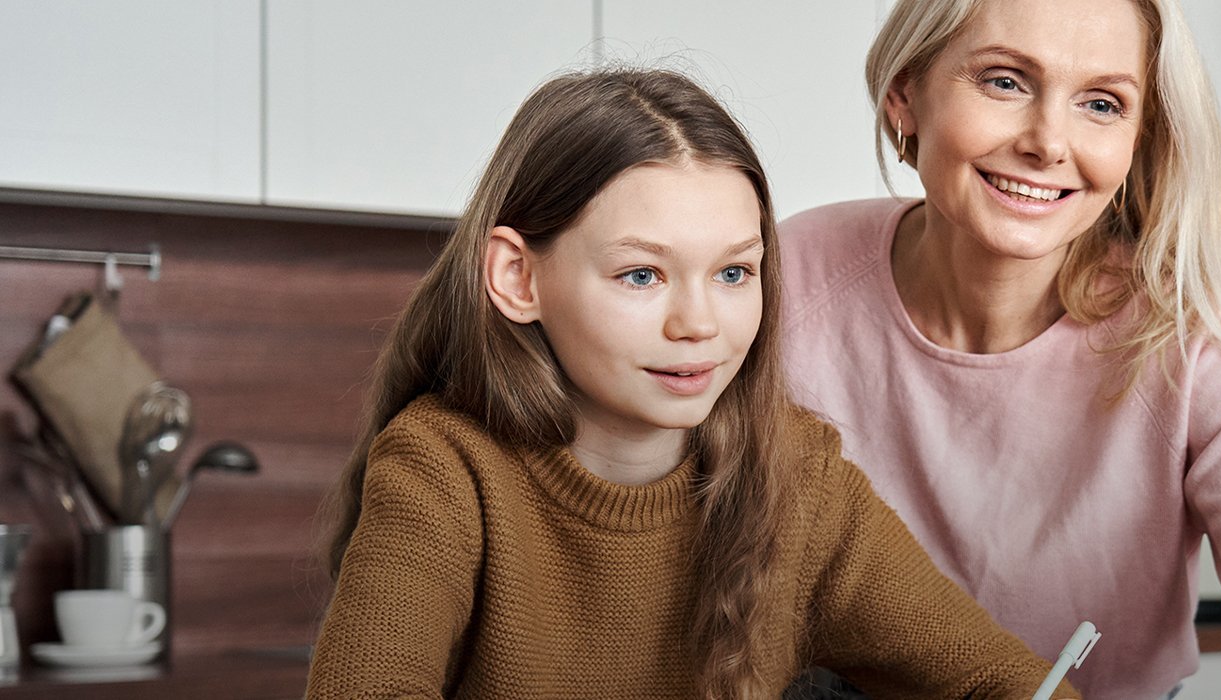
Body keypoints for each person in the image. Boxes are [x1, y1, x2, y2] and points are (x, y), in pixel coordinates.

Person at [306, 67, 1074, 699]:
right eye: (642, 274)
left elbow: (997, 679)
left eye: (735, 271)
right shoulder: (444, 470)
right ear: (518, 277)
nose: (700, 324)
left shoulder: (802, 480)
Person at [777, 0, 1221, 696]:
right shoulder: (791, 274)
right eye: (1005, 81)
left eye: (1101, 104)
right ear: (905, 96)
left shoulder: (1199, 350)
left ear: (1136, 140)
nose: (1048, 141)